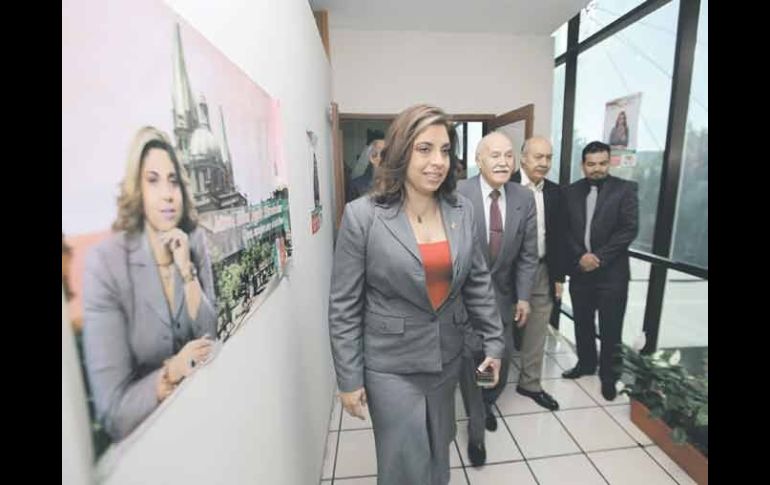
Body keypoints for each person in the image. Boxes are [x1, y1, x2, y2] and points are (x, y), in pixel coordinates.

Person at [328, 104, 504, 485]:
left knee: (439, 450)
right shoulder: (364, 216)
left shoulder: (462, 210)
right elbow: (344, 305)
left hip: (445, 358)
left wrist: (493, 343)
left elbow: (477, 282)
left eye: (444, 150)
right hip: (390, 366)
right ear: (401, 150)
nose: (437, 161)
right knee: (404, 462)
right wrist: (348, 378)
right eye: (425, 149)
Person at [82, 126, 218, 441]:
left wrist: (187, 271)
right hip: (149, 442)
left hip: (206, 414)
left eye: (173, 181)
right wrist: (171, 371)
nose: (168, 194)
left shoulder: (193, 241)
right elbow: (113, 412)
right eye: (153, 180)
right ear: (136, 189)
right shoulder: (106, 264)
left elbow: (209, 332)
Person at [456, 131, 538, 466]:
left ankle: (488, 402)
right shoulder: (457, 194)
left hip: (503, 301)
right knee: (471, 367)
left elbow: (528, 255)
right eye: (494, 155)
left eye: (508, 155)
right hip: (461, 303)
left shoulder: (523, 197)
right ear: (479, 160)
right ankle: (476, 435)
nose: (503, 162)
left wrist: (524, 297)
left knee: (497, 369)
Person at [560, 141, 639, 401]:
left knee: (610, 328)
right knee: (582, 323)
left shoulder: (625, 190)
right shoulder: (570, 192)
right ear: (583, 165)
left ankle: (609, 377)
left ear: (609, 162)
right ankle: (585, 365)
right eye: (591, 164)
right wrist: (580, 256)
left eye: (602, 163)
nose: (597, 169)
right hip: (580, 272)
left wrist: (598, 258)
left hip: (612, 275)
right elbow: (566, 230)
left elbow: (629, 229)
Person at [509, 136, 564, 411]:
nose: (543, 163)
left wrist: (559, 278)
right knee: (490, 333)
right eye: (537, 157)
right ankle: (482, 394)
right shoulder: (505, 186)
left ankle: (530, 383)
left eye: (548, 158)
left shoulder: (555, 193)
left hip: (542, 269)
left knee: (538, 330)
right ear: (523, 158)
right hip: (504, 273)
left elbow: (560, 236)